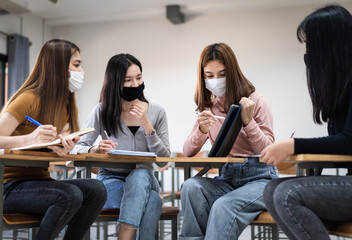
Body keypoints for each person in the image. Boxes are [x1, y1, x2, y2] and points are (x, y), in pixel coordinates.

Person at [0, 39, 107, 240]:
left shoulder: (66, 105)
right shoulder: (28, 99)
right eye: (77, 65)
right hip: (7, 187)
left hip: (39, 182)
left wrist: (66, 151)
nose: (81, 71)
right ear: (57, 67)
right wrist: (28, 138)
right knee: (69, 195)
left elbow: (58, 150)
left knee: (96, 189)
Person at [261, 5, 352, 240]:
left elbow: (348, 142)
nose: (308, 53)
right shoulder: (342, 88)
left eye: (311, 44)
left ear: (329, 46)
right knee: (271, 190)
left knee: (286, 195)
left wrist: (294, 145)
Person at [180, 42, 278, 240]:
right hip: (227, 177)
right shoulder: (208, 107)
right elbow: (188, 151)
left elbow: (269, 150)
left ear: (232, 72)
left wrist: (248, 122)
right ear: (203, 77)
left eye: (222, 74)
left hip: (260, 179)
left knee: (223, 206)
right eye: (209, 75)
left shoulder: (256, 101)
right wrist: (202, 130)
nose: (216, 80)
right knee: (190, 186)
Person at [70, 53, 170, 240]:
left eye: (139, 78)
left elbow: (164, 157)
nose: (135, 85)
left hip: (146, 178)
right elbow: (76, 147)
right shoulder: (102, 110)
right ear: (115, 83)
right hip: (111, 179)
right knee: (154, 200)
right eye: (128, 80)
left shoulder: (157, 111)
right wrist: (94, 149)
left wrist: (147, 125)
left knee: (139, 175)